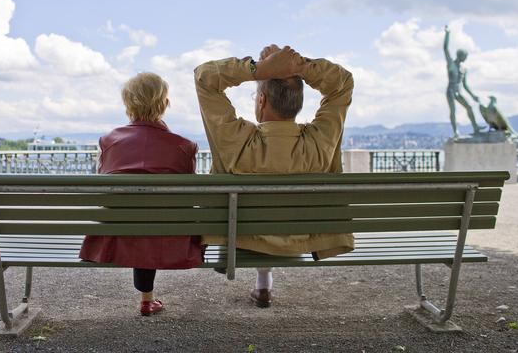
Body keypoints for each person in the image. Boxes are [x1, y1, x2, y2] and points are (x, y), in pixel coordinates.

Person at [194, 44, 355, 308]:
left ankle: (261, 279)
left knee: (244, 215)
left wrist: (258, 69)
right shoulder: (318, 144)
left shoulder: (236, 142)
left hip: (241, 237)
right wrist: (300, 65)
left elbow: (204, 77)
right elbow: (342, 83)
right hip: (301, 238)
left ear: (261, 101)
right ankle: (264, 283)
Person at [79, 72, 203, 316]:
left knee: (136, 217)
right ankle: (147, 300)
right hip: (169, 235)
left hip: (119, 234)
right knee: (151, 219)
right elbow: (187, 197)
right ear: (165, 104)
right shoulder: (184, 146)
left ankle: (147, 298)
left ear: (127, 104)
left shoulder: (109, 141)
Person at [444, 25, 486, 138]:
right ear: (460, 55)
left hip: (459, 91)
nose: (466, 58)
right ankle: (456, 131)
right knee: (453, 111)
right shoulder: (451, 64)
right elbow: (445, 49)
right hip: (451, 90)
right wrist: (447, 34)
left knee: (470, 107)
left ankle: (475, 127)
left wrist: (473, 96)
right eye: (465, 56)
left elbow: (465, 85)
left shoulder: (464, 69)